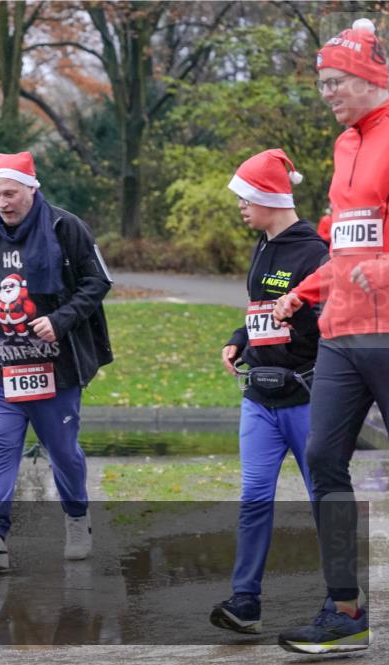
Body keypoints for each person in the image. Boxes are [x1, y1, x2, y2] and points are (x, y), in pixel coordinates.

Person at [273, 17, 388, 655]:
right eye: (320, 84)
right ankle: (345, 611)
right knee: (322, 460)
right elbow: (347, 243)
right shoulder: (346, 146)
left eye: (335, 81)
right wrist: (305, 290)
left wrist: (380, 271)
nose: (326, 94)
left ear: (369, 77)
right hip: (342, 333)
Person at [0, 151, 112, 571]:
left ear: (31, 188)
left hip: (55, 368)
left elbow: (98, 280)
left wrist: (60, 320)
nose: (2, 202)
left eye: (10, 193)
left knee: (62, 452)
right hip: (3, 365)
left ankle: (77, 518)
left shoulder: (66, 227)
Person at [210, 149, 327, 635]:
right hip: (259, 398)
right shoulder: (262, 245)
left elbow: (329, 321)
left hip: (305, 398)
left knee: (324, 499)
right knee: (254, 498)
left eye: (246, 197)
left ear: (270, 197)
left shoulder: (316, 252)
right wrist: (239, 339)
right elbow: (259, 308)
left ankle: (342, 600)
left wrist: (300, 313)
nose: (240, 206)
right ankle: (245, 602)